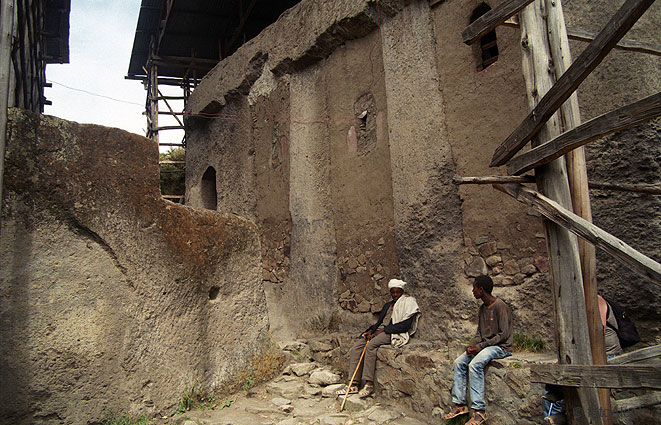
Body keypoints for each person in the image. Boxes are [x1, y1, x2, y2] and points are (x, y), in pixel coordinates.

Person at [541, 294, 622, 424]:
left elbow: (598, 331)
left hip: (606, 355)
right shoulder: (575, 304)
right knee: (552, 394)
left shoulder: (596, 300)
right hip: (585, 356)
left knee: (570, 395)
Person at [443, 275, 513, 425]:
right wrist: (472, 345)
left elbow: (503, 335)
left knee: (475, 365)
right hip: (486, 345)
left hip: (501, 347)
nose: (473, 291)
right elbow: (479, 334)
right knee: (459, 362)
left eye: (474, 288)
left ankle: (479, 411)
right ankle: (460, 404)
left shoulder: (500, 306)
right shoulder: (482, 308)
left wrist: (480, 347)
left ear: (481, 289)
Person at [337, 278, 421, 398]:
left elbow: (404, 325)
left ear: (402, 291)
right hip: (380, 331)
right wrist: (370, 331)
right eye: (393, 292)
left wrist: (383, 331)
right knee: (357, 347)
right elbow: (380, 322)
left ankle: (369, 383)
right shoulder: (388, 305)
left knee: (371, 346)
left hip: (393, 332)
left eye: (398, 292)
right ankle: (353, 383)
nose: (395, 295)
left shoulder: (408, 302)